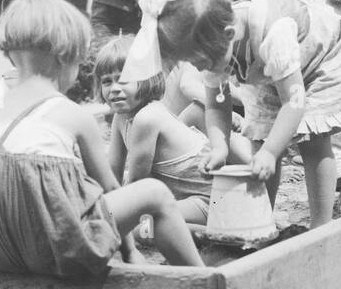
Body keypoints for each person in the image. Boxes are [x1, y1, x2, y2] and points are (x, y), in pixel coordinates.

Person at [0, 0, 204, 275]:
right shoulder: (72, 114)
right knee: (155, 193)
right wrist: (129, 252)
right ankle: (202, 280)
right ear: (64, 57)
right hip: (51, 251)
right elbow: (110, 187)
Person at [146, 0, 341, 230]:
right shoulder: (213, 44)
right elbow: (218, 104)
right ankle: (263, 221)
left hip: (322, 54)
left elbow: (294, 102)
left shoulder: (275, 34)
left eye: (200, 61)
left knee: (313, 139)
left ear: (229, 35)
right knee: (260, 138)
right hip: (270, 67)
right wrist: (219, 146)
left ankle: (321, 227)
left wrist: (272, 153)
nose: (199, 68)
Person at [95, 36, 250, 225]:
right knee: (119, 216)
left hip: (215, 201)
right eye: (107, 82)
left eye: (123, 80)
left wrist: (109, 212)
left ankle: (204, 234)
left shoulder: (147, 117)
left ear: (146, 79)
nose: (114, 89)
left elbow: (136, 184)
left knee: (145, 223)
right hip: (186, 198)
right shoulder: (121, 119)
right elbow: (113, 173)